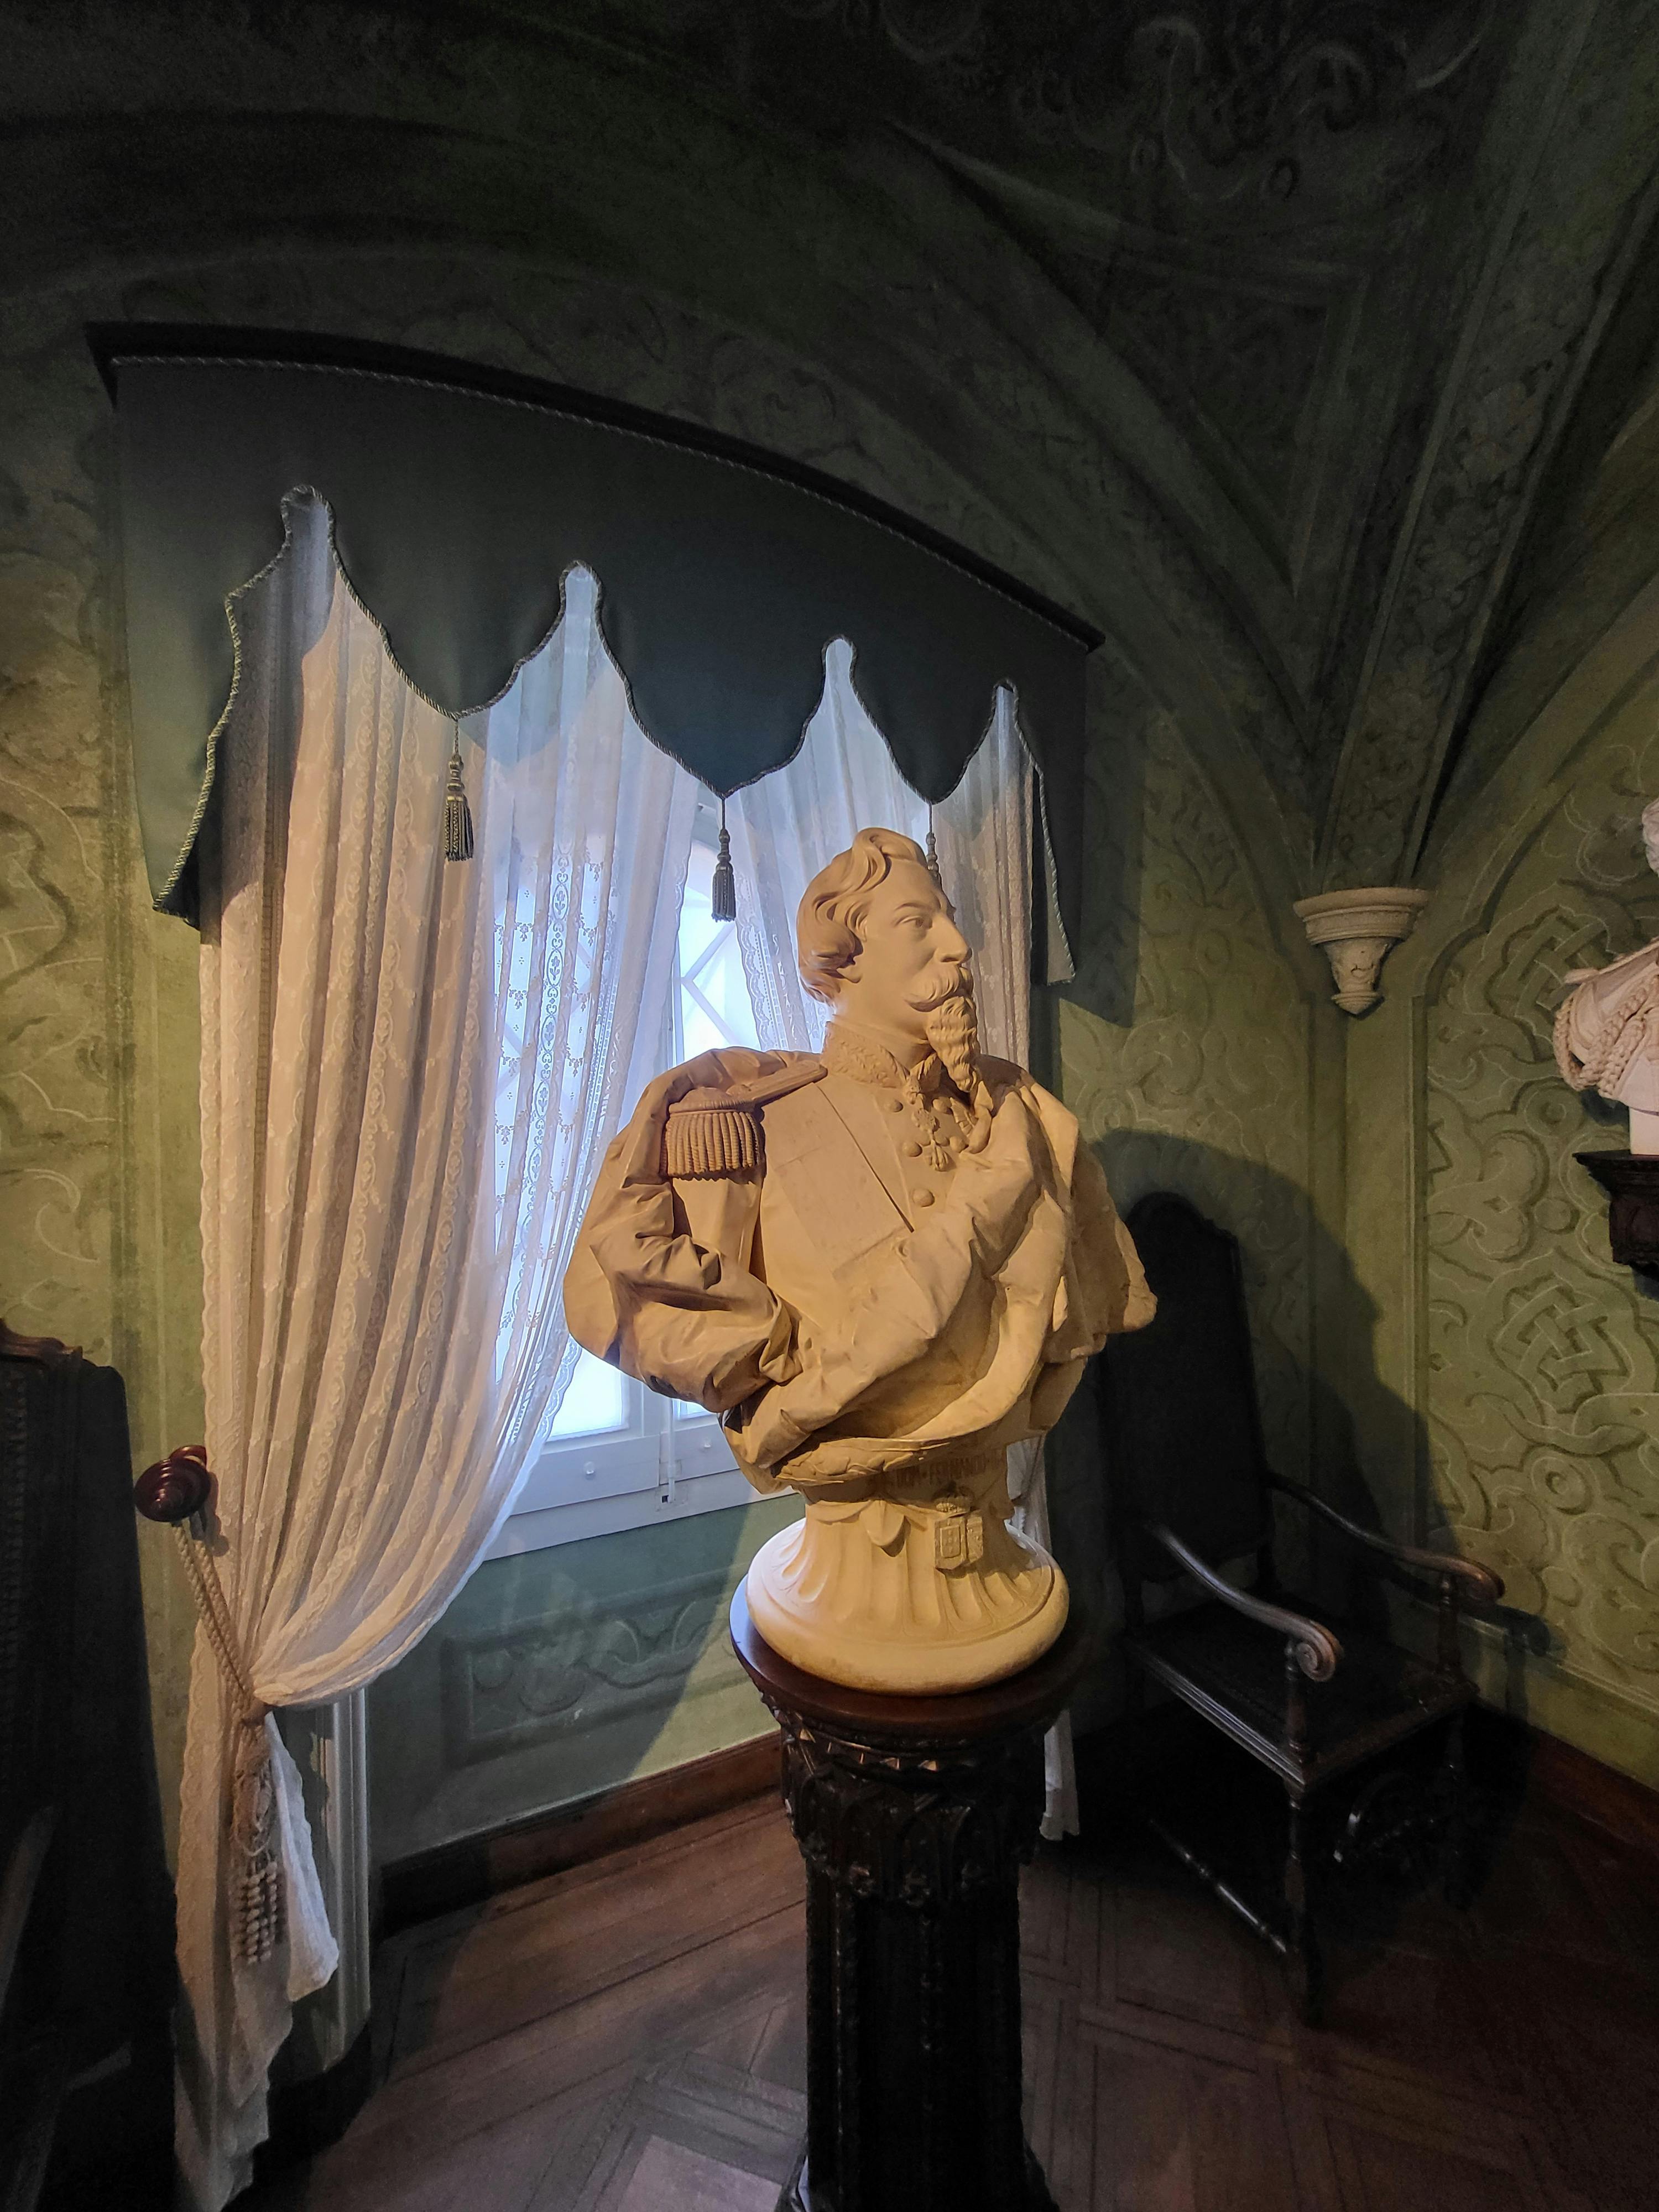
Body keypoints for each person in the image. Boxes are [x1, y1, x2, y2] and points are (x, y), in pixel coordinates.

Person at [564, 828, 1153, 1690]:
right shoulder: (748, 1124)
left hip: (995, 1562)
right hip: (840, 1589)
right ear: (845, 957)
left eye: (949, 919)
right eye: (919, 923)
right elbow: (641, 1300)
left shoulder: (1026, 1122)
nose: (958, 946)